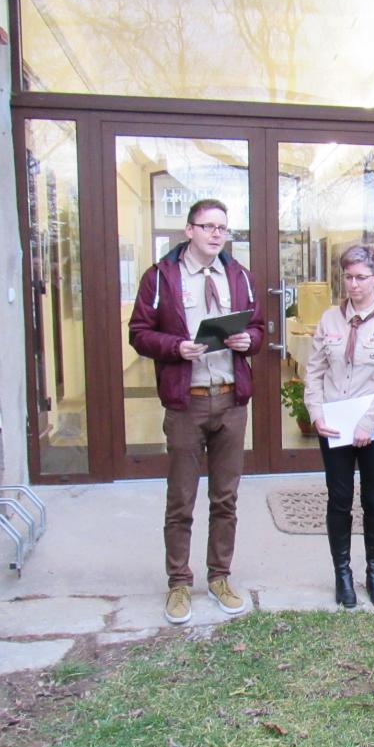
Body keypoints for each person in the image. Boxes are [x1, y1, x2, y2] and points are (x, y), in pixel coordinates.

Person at [128, 199, 265, 624]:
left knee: (225, 499)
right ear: (189, 230)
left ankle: (220, 577)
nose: (216, 234)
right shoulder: (160, 277)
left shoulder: (239, 275)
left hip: (230, 400)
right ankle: (179, 583)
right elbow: (139, 333)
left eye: (222, 227)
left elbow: (259, 328)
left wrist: (249, 341)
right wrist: (176, 347)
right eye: (208, 226)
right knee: (181, 499)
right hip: (187, 402)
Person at [304, 244, 374, 607]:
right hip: (335, 426)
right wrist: (315, 412)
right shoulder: (329, 320)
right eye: (348, 277)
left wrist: (368, 422)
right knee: (339, 500)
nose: (354, 285)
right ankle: (343, 574)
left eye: (361, 277)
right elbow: (314, 371)